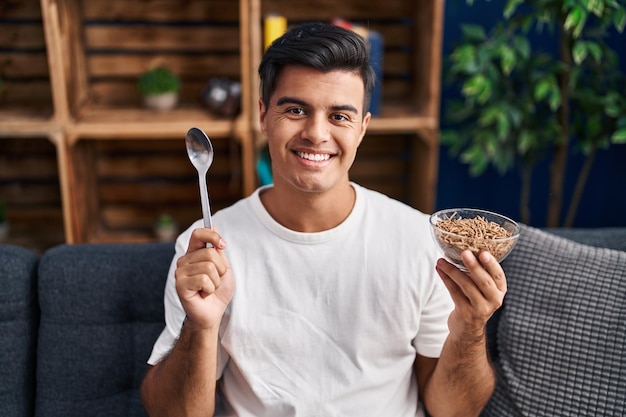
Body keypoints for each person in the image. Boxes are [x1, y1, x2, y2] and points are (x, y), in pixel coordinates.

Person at [141, 21, 506, 417]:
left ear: (362, 129)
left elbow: (452, 411)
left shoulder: (420, 240)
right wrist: (201, 326)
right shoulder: (205, 246)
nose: (316, 133)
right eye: (296, 109)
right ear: (263, 116)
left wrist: (470, 330)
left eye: (339, 116)